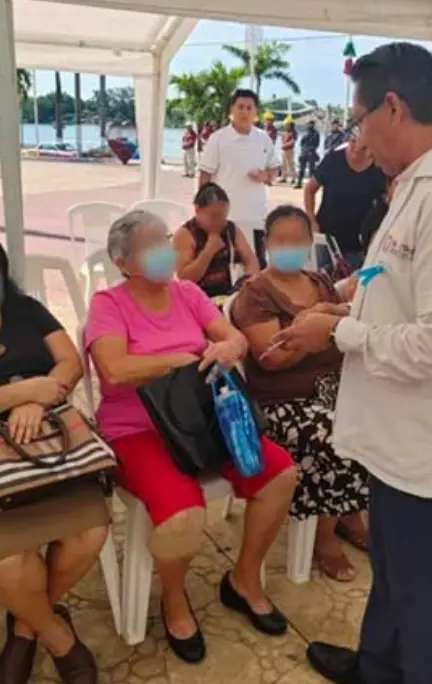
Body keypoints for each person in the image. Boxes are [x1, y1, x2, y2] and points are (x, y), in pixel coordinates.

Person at [272, 42, 432, 684]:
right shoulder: (418, 180)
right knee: (395, 567)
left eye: (360, 119)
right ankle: (379, 666)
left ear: (394, 108)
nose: (360, 137)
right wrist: (348, 294)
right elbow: (393, 268)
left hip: (424, 441)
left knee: (425, 593)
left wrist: (341, 332)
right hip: (397, 431)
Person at [85, 210, 298, 664]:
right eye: (152, 245)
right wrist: (180, 360)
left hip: (200, 418)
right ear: (123, 262)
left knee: (279, 473)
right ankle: (174, 596)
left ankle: (244, 580)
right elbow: (114, 370)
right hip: (137, 429)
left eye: (165, 239)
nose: (167, 250)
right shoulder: (110, 304)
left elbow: (234, 339)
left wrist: (225, 346)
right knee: (181, 514)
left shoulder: (186, 292)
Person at [229, 205, 371, 583]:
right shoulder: (255, 294)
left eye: (298, 240)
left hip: (333, 387)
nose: (289, 246)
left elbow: (347, 330)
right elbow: (271, 357)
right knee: (335, 433)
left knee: (379, 417)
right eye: (281, 240)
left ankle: (346, 511)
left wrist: (332, 315)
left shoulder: (320, 281)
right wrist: (322, 323)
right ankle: (324, 538)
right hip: (284, 401)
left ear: (310, 243)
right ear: (267, 244)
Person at [0, 244, 103, 684]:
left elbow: (70, 363)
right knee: (8, 559)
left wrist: (46, 398)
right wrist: (22, 395)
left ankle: (25, 626)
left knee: (91, 531)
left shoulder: (25, 309)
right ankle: (57, 636)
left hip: (52, 443)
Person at [198, 89, 281, 270]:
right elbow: (205, 174)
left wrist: (265, 176)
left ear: (255, 112)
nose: (245, 112)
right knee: (225, 268)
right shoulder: (218, 139)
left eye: (249, 108)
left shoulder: (263, 138)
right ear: (232, 110)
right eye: (240, 107)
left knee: (257, 266)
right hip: (226, 216)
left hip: (256, 215)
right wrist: (203, 207)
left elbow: (274, 168)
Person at [303, 135, 388, 270]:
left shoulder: (380, 168)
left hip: (358, 245)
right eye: (353, 142)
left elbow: (388, 203)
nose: (356, 149)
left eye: (363, 147)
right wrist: (311, 218)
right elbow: (309, 190)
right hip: (325, 237)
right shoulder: (333, 160)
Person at [173, 183, 260, 298]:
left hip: (230, 292)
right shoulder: (186, 234)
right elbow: (185, 277)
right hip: (197, 296)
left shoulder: (230, 229)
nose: (219, 222)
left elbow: (251, 261)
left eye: (223, 216)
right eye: (213, 216)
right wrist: (208, 251)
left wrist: (247, 280)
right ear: (197, 209)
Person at [294, 120, 320, 189]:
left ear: (313, 125)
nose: (310, 125)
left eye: (311, 124)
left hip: (311, 153)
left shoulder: (316, 133)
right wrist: (303, 150)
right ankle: (299, 183)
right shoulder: (305, 133)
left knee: (312, 170)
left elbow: (316, 144)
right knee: (301, 169)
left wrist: (310, 150)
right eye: (309, 124)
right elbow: (301, 143)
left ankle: (312, 185)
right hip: (304, 153)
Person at [279, 120, 297, 184]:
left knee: (290, 164)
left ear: (290, 125)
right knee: (283, 164)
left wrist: (284, 145)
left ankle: (293, 178)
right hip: (284, 150)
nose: (286, 126)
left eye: (287, 125)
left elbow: (292, 142)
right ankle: (284, 178)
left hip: (289, 150)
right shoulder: (286, 132)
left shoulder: (293, 132)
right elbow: (283, 139)